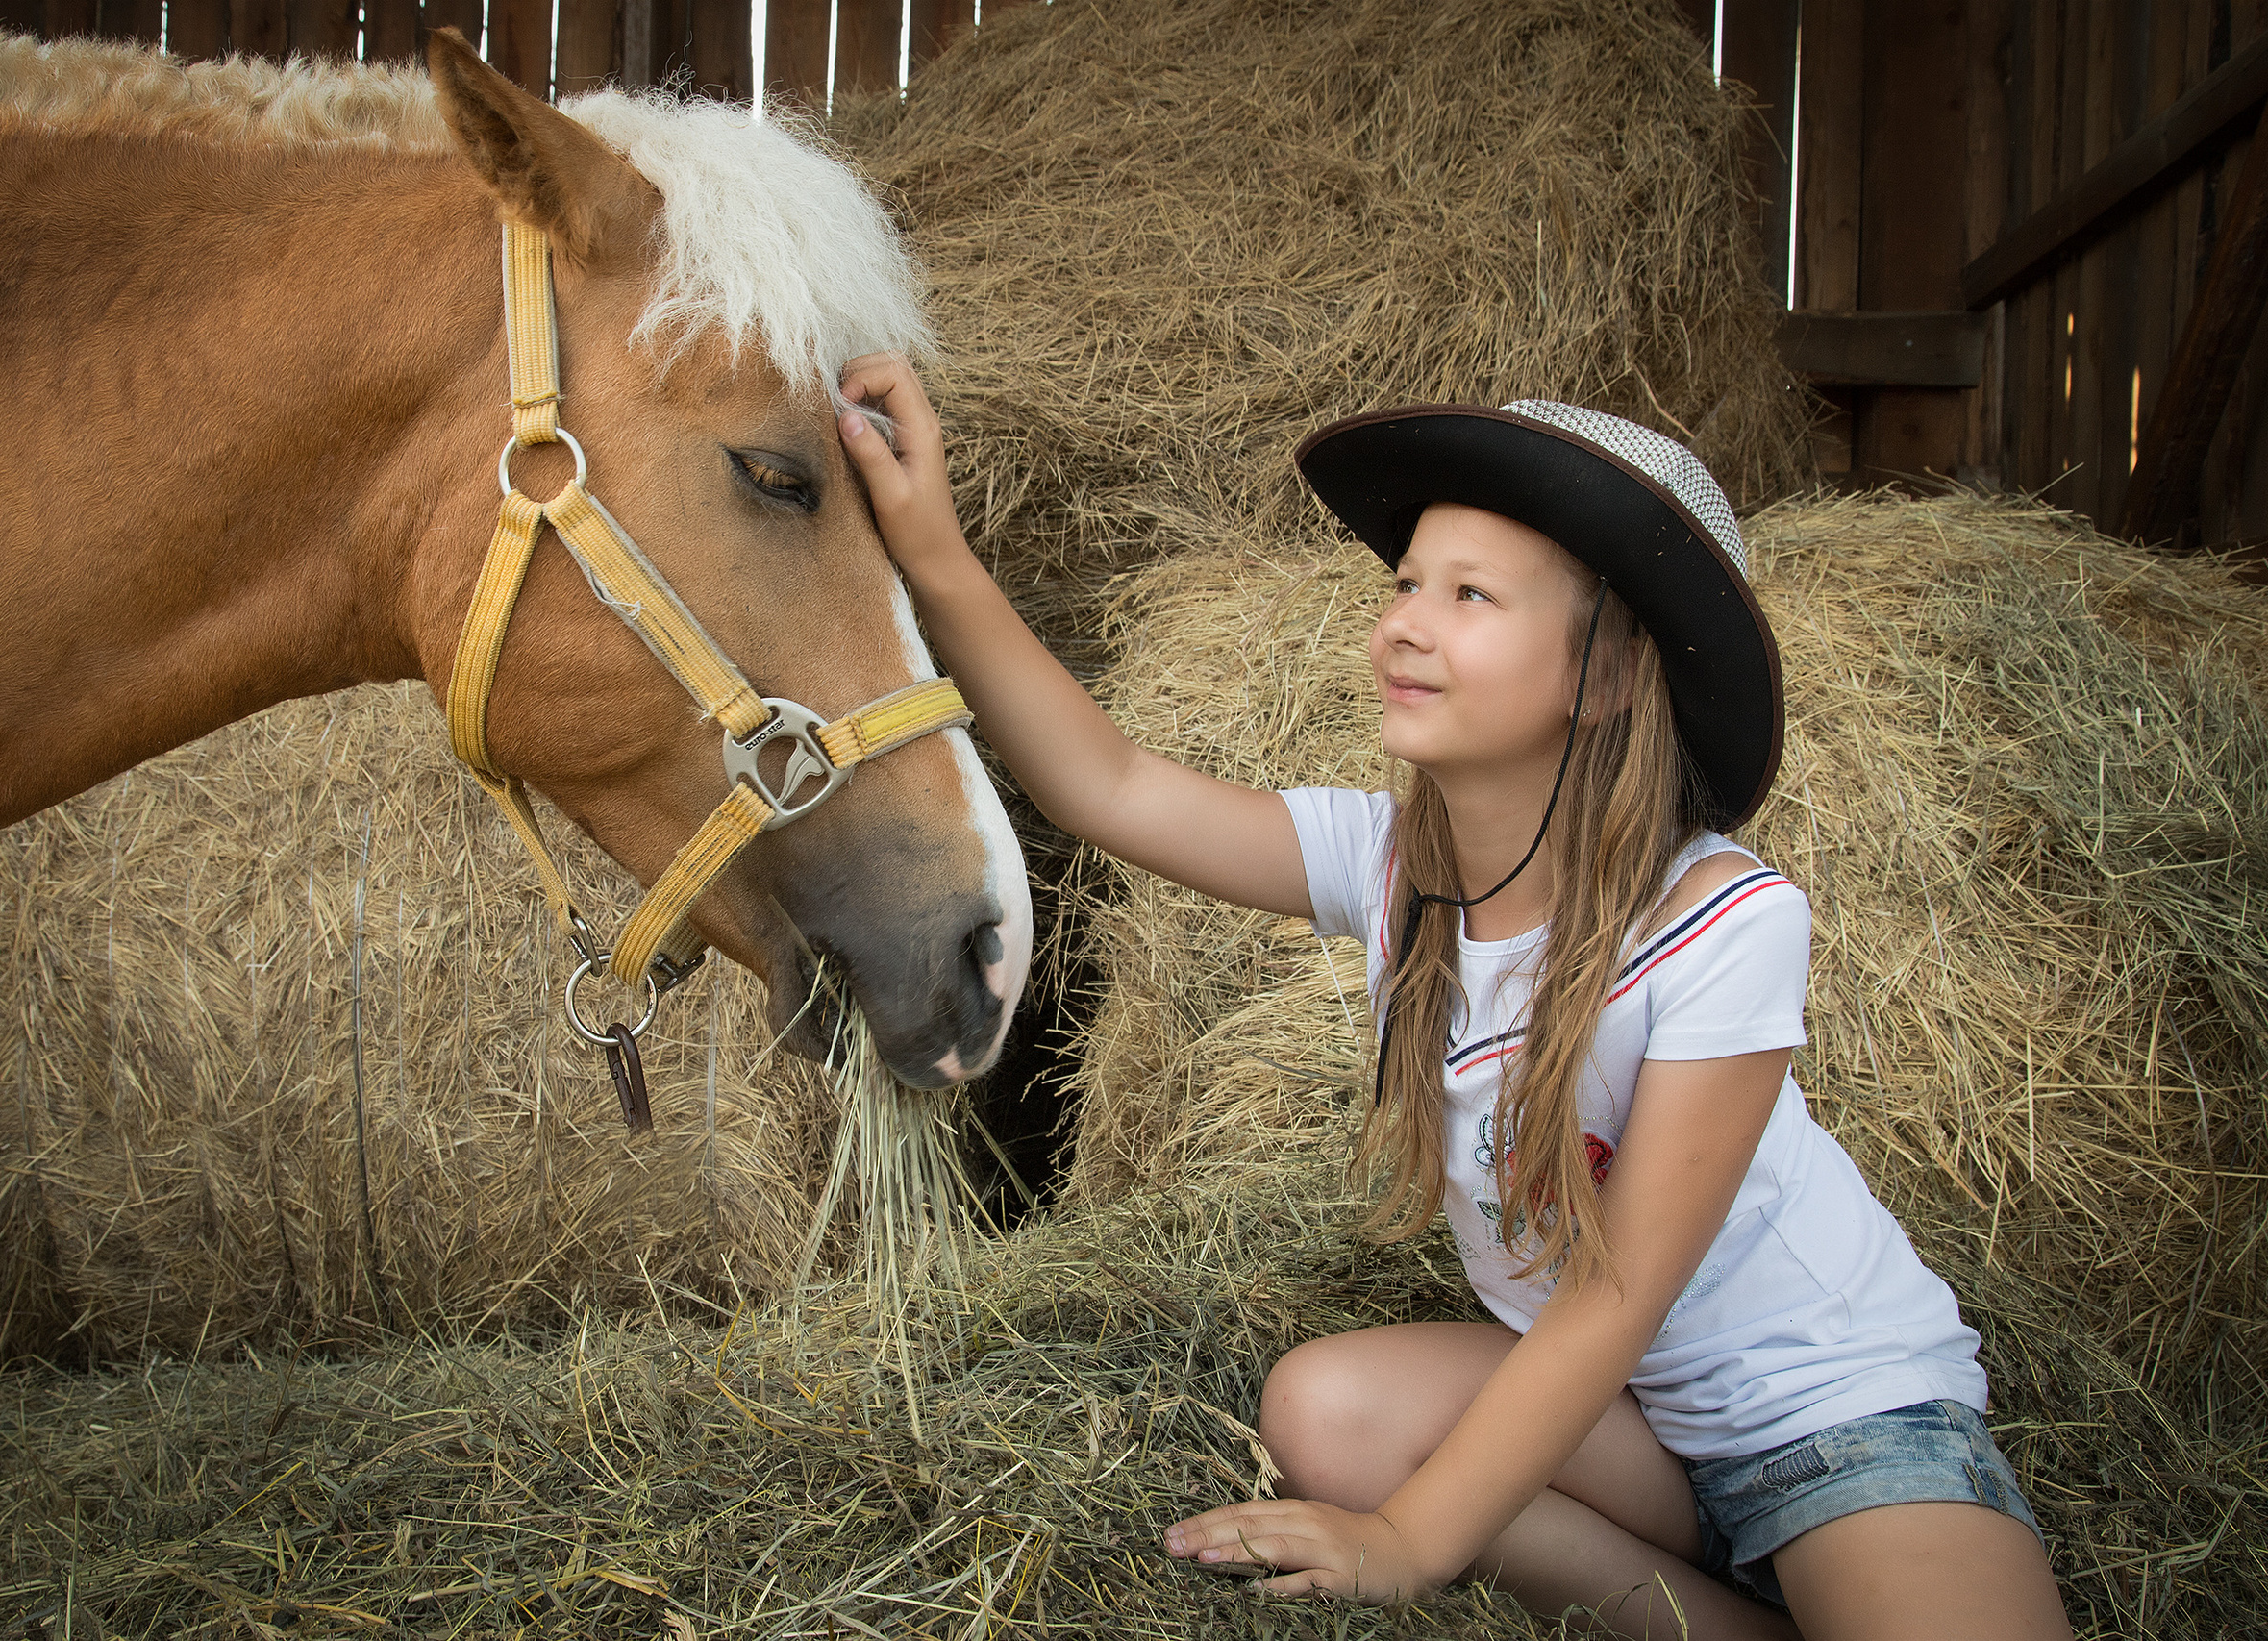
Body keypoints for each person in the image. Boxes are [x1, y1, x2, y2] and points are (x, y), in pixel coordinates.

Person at [835, 355, 2072, 1640]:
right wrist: (934, 553)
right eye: (1407, 583)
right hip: (1631, 1434)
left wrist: (1406, 1545)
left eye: (1470, 595)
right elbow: (1111, 790)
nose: (1403, 624)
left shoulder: (1722, 921)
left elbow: (1617, 1292)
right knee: (1325, 1413)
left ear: (1605, 678)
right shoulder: (1393, 870)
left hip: (1834, 1418)